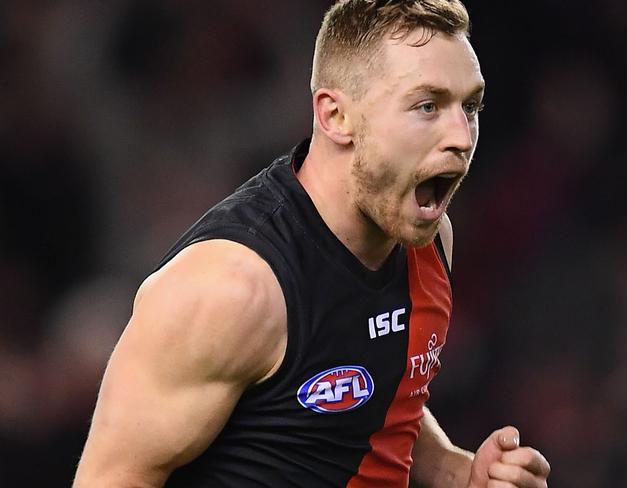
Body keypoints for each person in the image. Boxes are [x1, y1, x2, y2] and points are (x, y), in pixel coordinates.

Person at [74, 1, 551, 487]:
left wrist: (458, 472)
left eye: (469, 107)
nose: (460, 136)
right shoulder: (232, 291)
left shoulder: (427, 240)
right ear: (336, 115)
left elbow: (372, 399)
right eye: (427, 105)